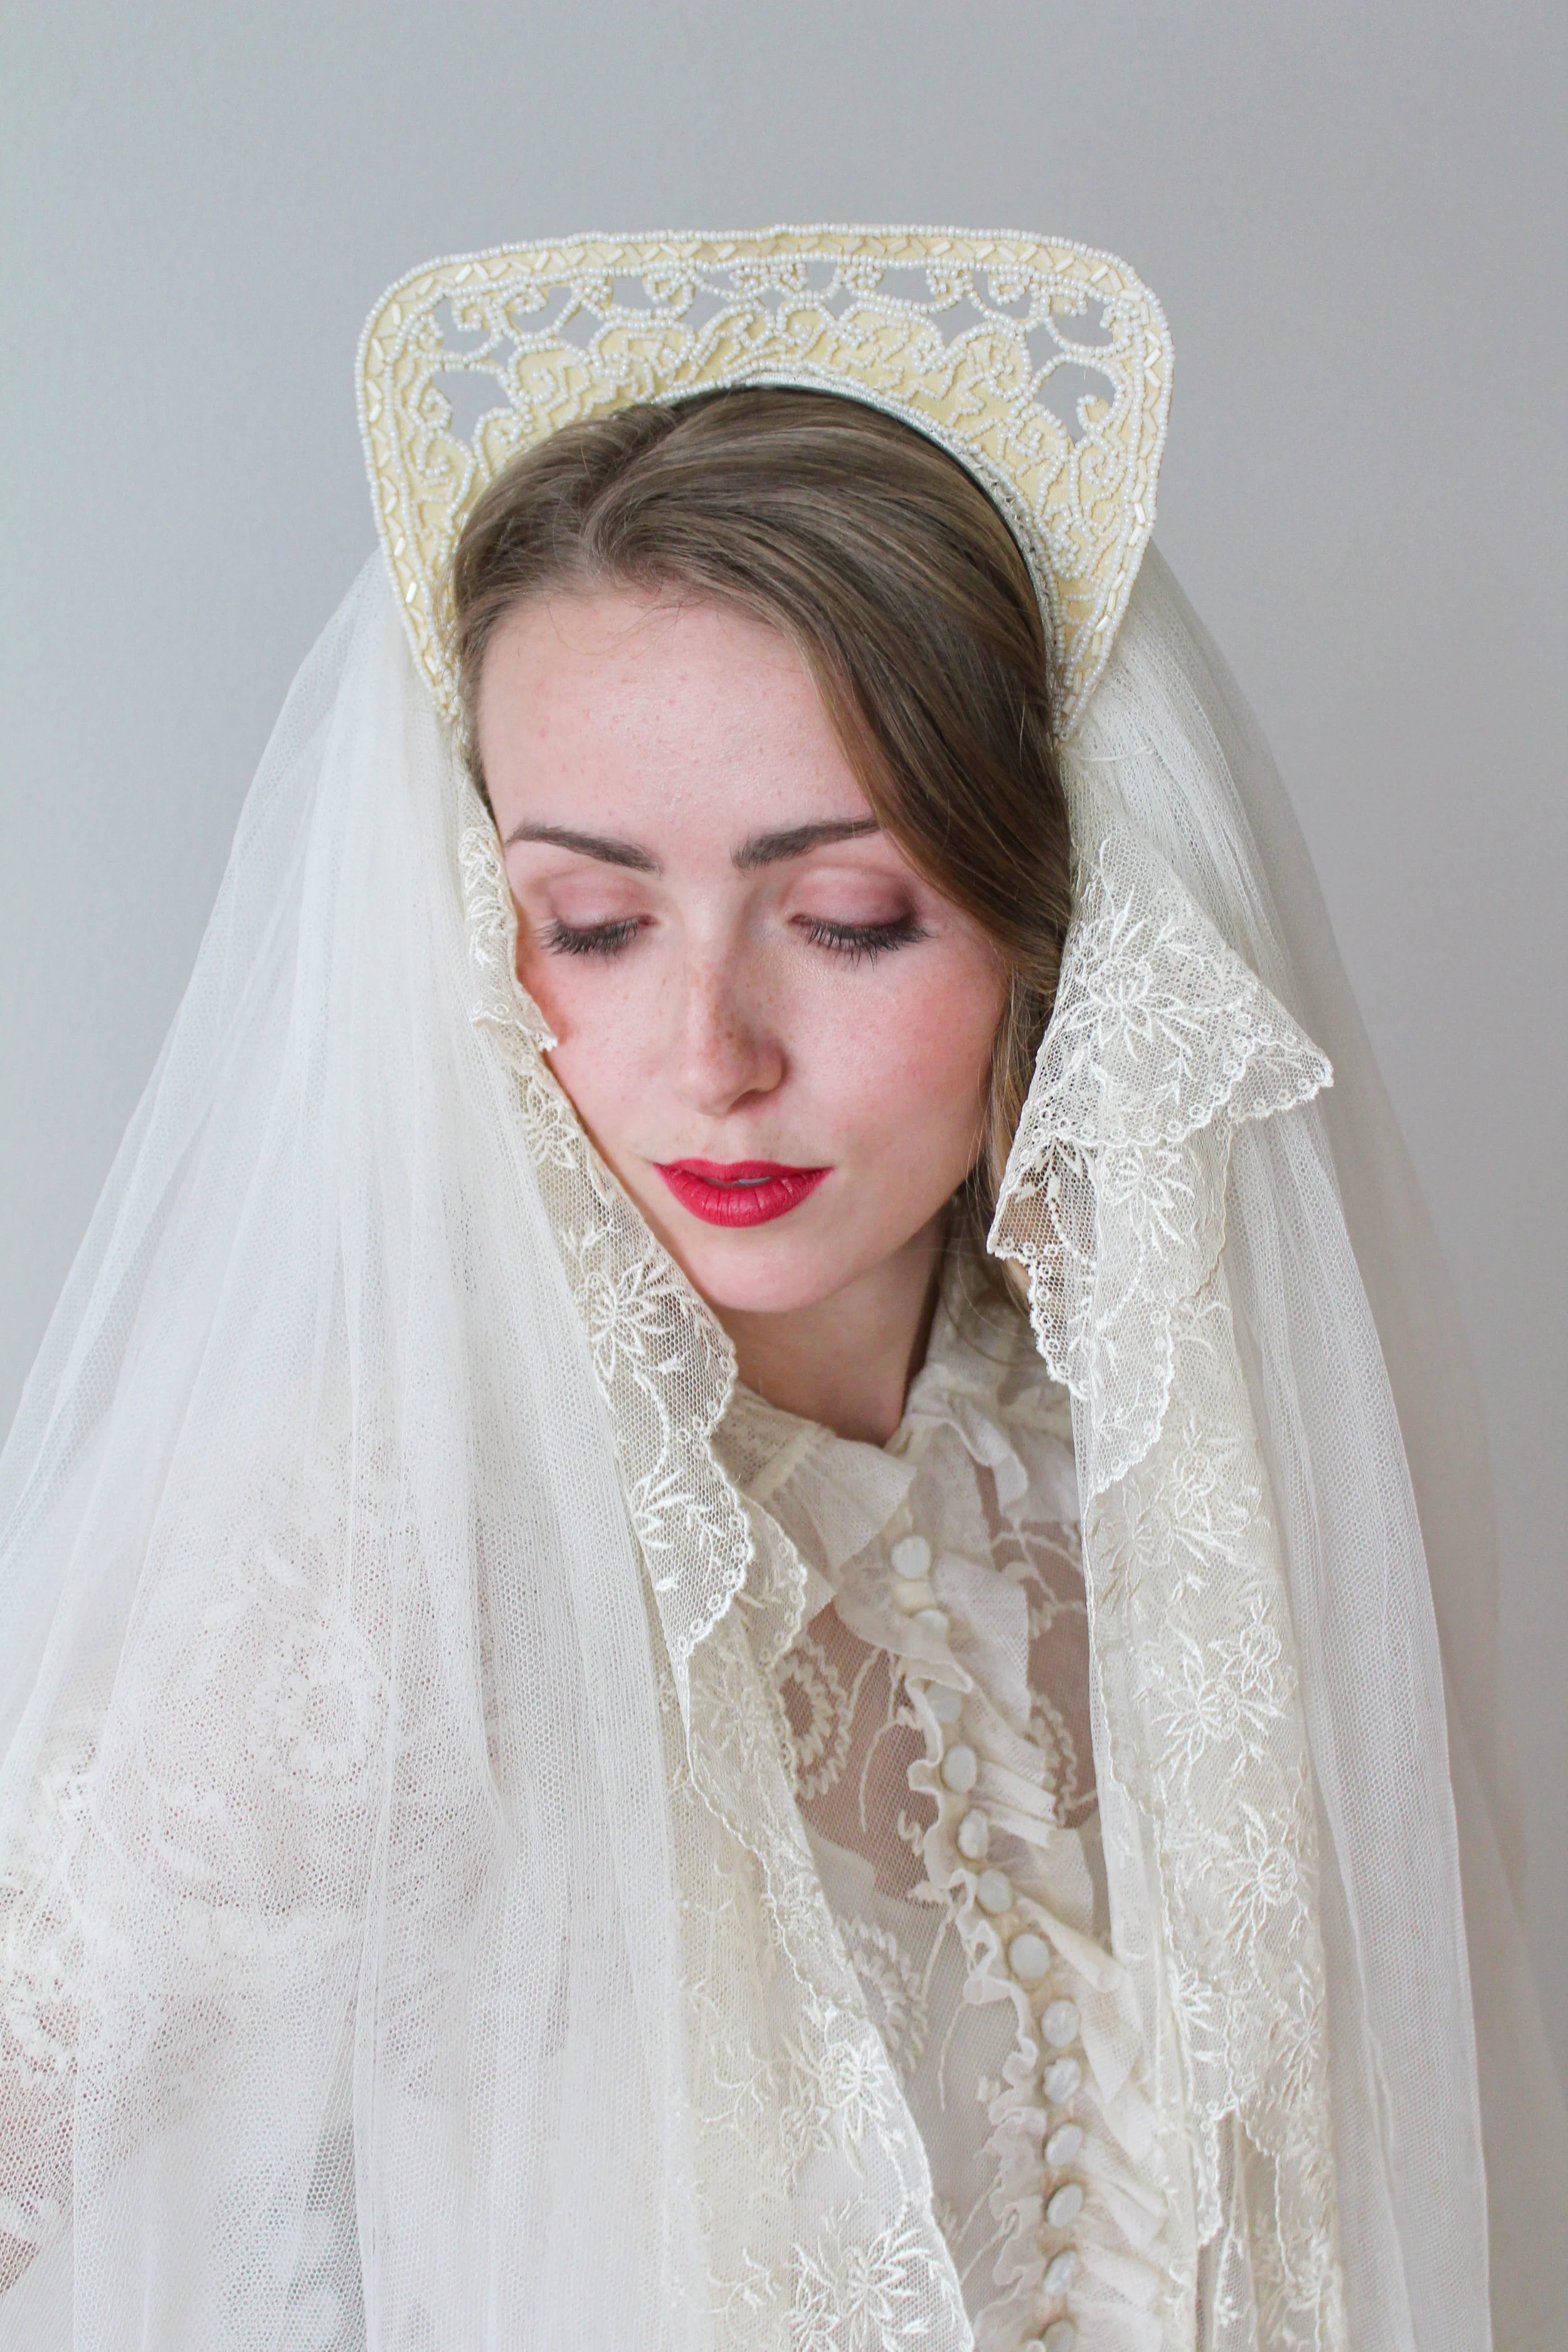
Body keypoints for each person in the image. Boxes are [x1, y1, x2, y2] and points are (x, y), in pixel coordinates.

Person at [0, 226, 1561, 2350]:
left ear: (1055, 933)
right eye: (592, 923)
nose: (710, 1052)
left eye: (841, 917)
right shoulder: (392, 1564)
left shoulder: (1155, 1473)